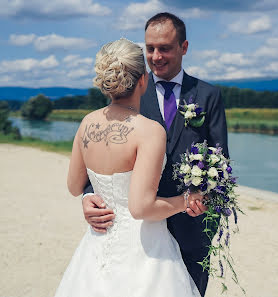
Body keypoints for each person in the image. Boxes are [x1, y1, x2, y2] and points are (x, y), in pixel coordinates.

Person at [81, 12, 229, 296]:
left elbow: (221, 166)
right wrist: (90, 195)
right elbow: (104, 154)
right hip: (139, 233)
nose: (156, 56)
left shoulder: (208, 95)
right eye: (150, 48)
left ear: (184, 47)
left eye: (165, 48)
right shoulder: (128, 92)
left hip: (191, 229)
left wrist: (207, 206)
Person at [55, 38, 202, 296]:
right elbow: (141, 208)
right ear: (143, 79)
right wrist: (187, 200)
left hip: (99, 242)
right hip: (145, 249)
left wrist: (89, 197)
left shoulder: (87, 123)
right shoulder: (149, 131)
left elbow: (73, 185)